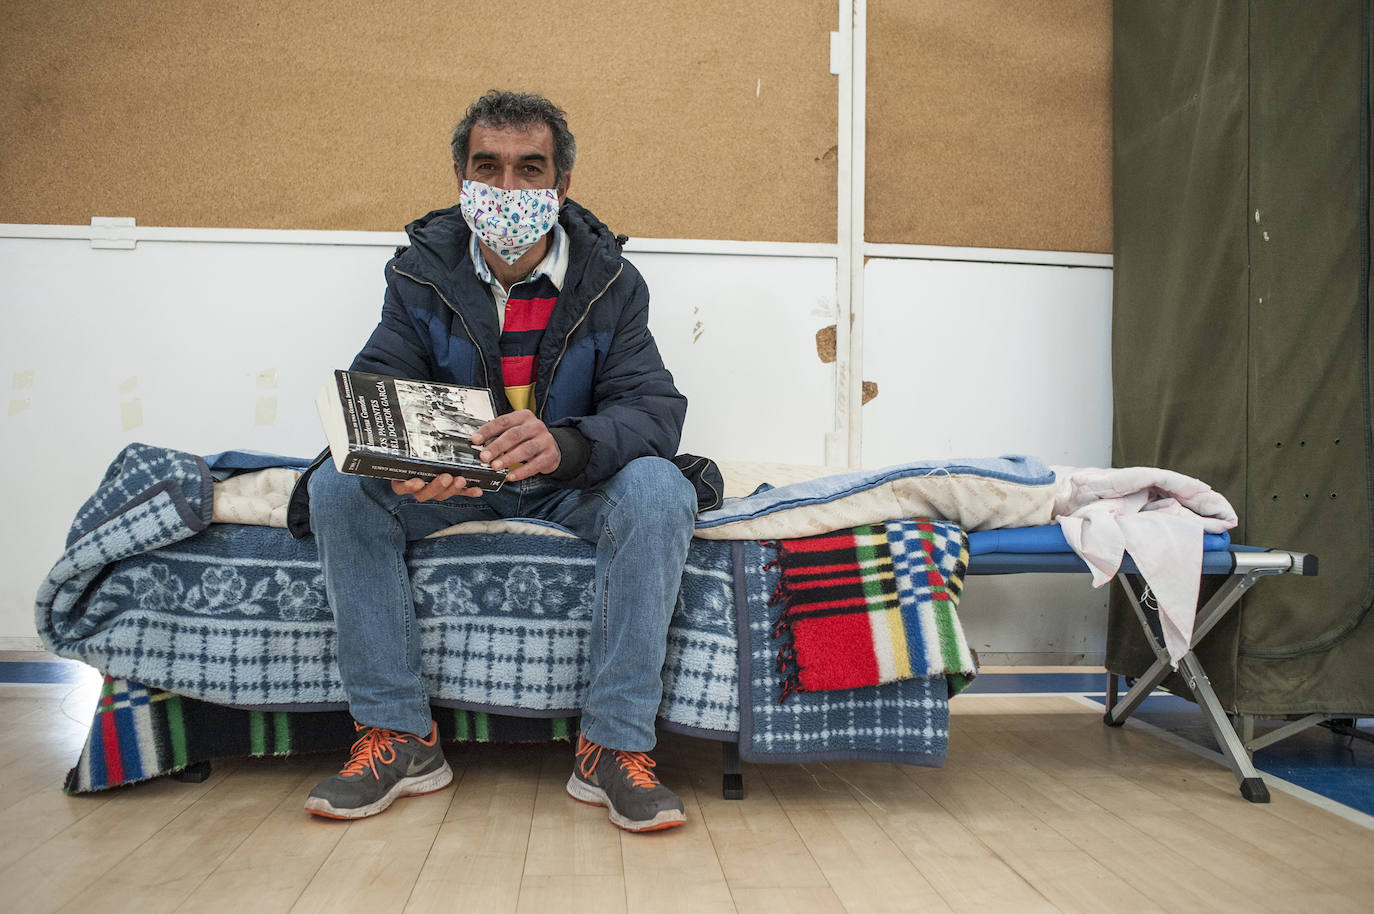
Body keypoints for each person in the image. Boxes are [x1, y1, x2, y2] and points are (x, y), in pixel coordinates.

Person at [296, 90, 696, 832]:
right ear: (460, 178)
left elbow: (652, 408)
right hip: (463, 486)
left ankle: (611, 746)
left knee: (660, 490)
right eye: (489, 168)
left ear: (561, 185)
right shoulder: (419, 275)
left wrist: (568, 443)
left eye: (529, 168)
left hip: (568, 484)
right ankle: (400, 738)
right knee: (337, 486)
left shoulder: (611, 282)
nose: (508, 189)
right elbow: (378, 387)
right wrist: (400, 461)